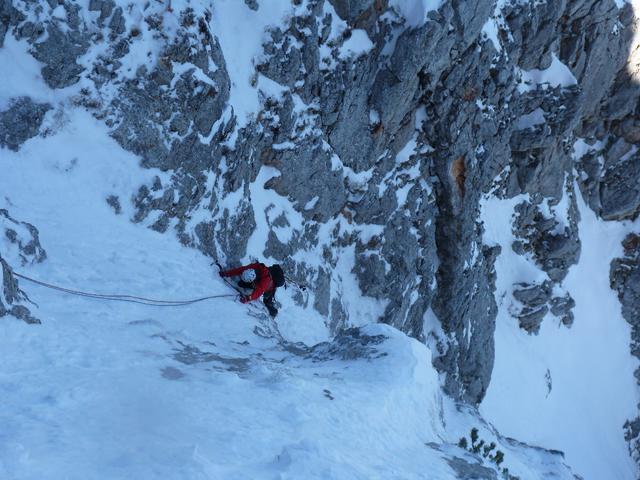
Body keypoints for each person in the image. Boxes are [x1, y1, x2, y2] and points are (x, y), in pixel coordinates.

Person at [219, 262, 285, 317]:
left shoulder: (265, 281)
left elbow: (259, 291)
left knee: (267, 301)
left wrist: (248, 299)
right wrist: (226, 273)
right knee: (241, 284)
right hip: (260, 281)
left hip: (269, 288)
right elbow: (241, 269)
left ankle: (273, 313)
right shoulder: (255, 266)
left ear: (252, 280)